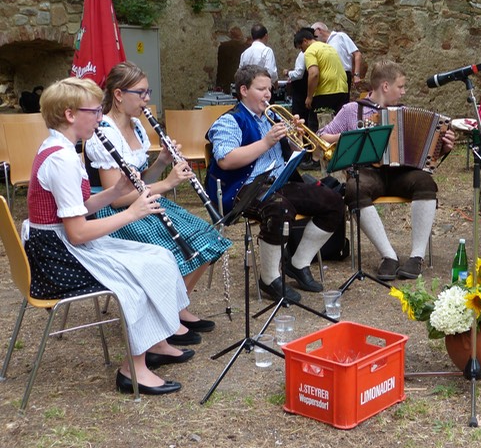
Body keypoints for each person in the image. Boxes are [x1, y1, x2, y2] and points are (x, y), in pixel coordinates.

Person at [27, 77, 195, 395]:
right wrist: (130, 213)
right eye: (94, 111)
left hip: (57, 245)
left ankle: (156, 342)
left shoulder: (59, 147)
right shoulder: (61, 158)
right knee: (141, 273)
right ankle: (134, 369)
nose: (101, 118)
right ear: (69, 114)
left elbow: (80, 208)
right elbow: (76, 232)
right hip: (57, 257)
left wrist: (116, 191)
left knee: (158, 255)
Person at [85, 61, 232, 342]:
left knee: (206, 236)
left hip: (141, 201)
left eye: (147, 91)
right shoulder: (102, 134)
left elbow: (139, 179)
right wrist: (166, 183)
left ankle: (177, 306)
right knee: (177, 247)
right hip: (114, 213)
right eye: (140, 93)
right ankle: (165, 316)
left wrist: (163, 162)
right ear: (118, 95)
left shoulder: (137, 126)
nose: (147, 99)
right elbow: (117, 197)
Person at [205, 64, 345, 302]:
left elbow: (301, 153)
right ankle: (269, 279)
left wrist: (297, 137)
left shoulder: (274, 117)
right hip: (242, 188)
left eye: (269, 89)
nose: (268, 94)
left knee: (333, 202)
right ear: (243, 90)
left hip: (279, 180)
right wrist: (267, 142)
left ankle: (298, 263)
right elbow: (226, 160)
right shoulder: (229, 121)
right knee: (280, 208)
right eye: (261, 89)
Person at [318, 60, 456, 280]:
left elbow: (426, 153)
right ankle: (388, 255)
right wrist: (351, 135)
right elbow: (322, 136)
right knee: (355, 189)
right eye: (400, 87)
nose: (403, 92)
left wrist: (444, 145)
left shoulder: (404, 112)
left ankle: (416, 257)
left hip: (401, 172)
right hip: (368, 172)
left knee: (425, 182)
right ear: (385, 86)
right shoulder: (352, 110)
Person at [293, 27, 348, 132]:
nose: (302, 51)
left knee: (315, 126)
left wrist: (309, 97)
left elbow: (314, 74)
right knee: (337, 126)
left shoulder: (310, 51)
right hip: (342, 90)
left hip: (325, 92)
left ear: (305, 41)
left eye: (301, 48)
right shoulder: (329, 47)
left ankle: (318, 148)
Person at [311, 22, 363, 93]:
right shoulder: (322, 46)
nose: (314, 38)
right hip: (329, 79)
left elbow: (357, 54)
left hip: (343, 75)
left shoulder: (340, 36)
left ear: (319, 30)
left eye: (314, 35)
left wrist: (356, 75)